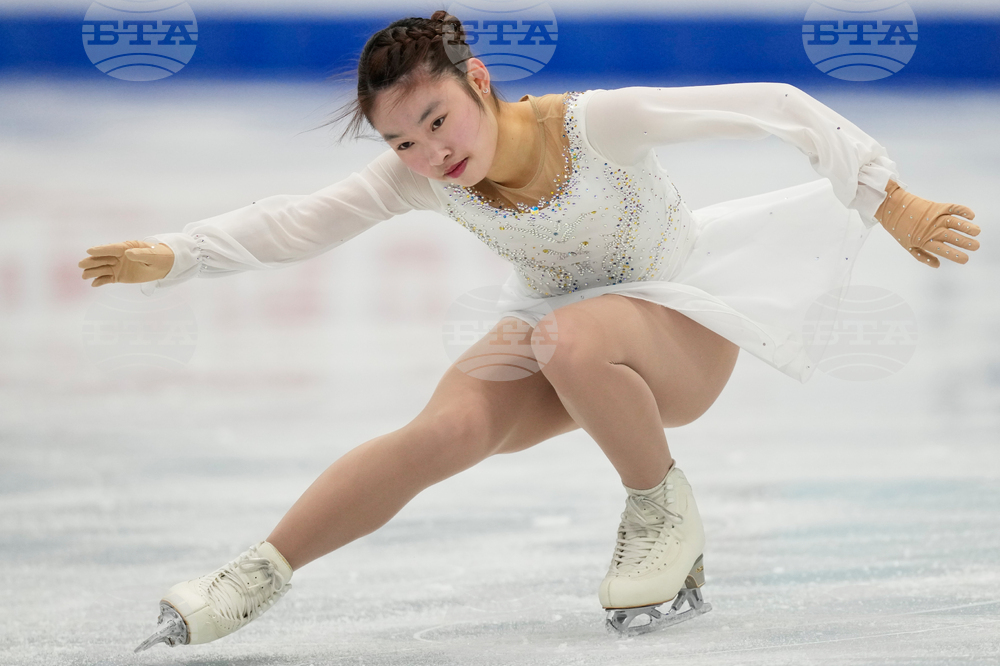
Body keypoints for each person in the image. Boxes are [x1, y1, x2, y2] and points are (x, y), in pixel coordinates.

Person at [78, 10, 981, 649]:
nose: (432, 155)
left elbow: (774, 104)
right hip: (561, 328)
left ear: (479, 82)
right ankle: (257, 574)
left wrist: (887, 198)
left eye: (437, 121)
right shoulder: (426, 177)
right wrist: (180, 252)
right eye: (403, 144)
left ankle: (660, 509)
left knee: (571, 338)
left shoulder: (599, 125)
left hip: (684, 320)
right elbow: (296, 221)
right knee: (446, 430)